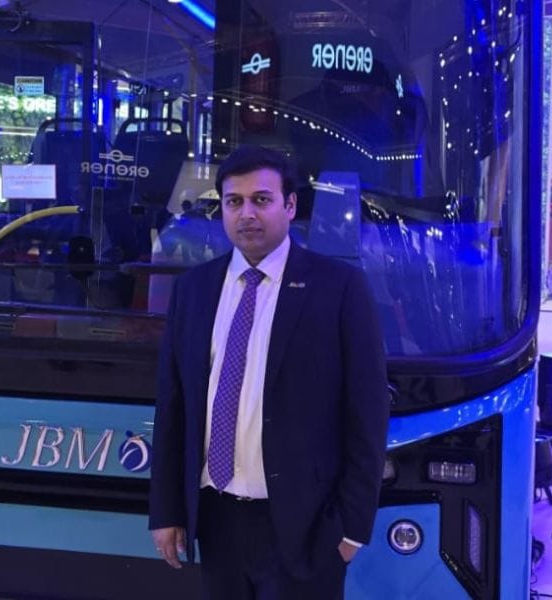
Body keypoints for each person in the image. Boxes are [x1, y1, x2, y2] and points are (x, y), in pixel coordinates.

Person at [149, 145, 389, 599]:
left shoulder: (338, 288)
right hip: (215, 518)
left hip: (306, 525)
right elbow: (173, 405)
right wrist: (167, 510)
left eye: (261, 200)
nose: (247, 214)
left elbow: (367, 413)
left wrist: (351, 527)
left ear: (290, 205)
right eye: (234, 202)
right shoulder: (193, 289)